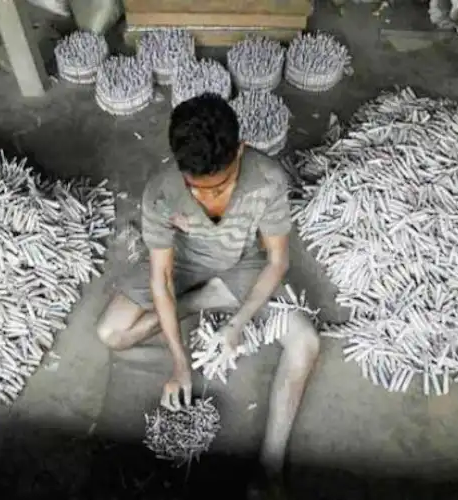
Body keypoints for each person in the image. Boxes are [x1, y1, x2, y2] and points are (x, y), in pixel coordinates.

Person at [96, 92, 321, 493]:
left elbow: (276, 262)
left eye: (222, 186)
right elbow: (161, 279)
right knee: (112, 334)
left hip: (244, 265)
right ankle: (203, 298)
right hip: (184, 263)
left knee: (306, 343)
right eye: (198, 190)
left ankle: (271, 468)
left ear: (242, 151)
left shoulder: (267, 179)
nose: (210, 200)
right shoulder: (162, 191)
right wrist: (180, 365)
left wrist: (239, 321)